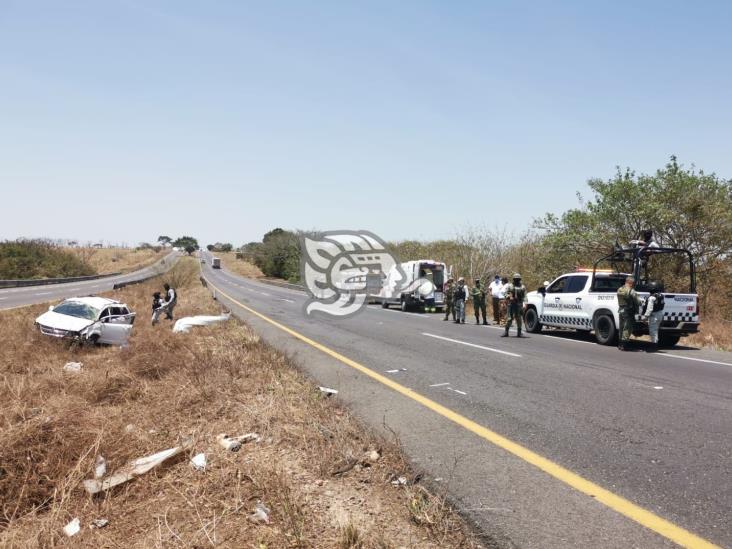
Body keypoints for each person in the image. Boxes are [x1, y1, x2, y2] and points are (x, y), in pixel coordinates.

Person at [616, 276, 642, 351]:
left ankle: (620, 344)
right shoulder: (631, 291)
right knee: (627, 328)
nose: (633, 285)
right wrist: (641, 302)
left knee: (621, 327)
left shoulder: (620, 289)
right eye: (633, 283)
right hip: (628, 311)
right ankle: (624, 345)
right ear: (631, 283)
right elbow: (638, 301)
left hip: (621, 310)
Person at [641, 282, 665, 352]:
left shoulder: (651, 298)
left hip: (654, 316)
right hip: (660, 314)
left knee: (653, 331)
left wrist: (645, 317)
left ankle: (654, 346)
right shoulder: (661, 295)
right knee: (656, 330)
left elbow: (650, 309)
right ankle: (655, 344)